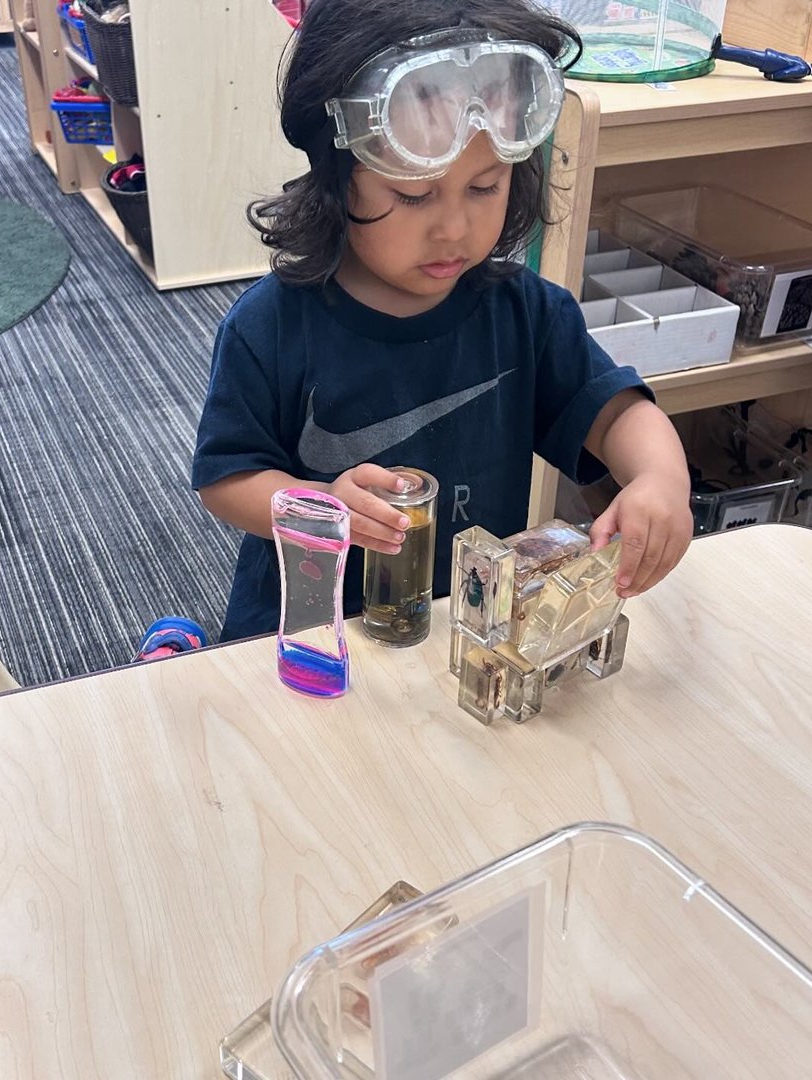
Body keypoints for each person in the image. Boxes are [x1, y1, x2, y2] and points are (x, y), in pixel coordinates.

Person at [192, 0, 693, 643]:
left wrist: (661, 478)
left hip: (464, 631)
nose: (455, 228)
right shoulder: (271, 327)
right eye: (414, 194)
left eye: (485, 187)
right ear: (335, 175)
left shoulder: (527, 314)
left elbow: (617, 412)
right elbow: (227, 478)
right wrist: (318, 507)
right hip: (313, 635)